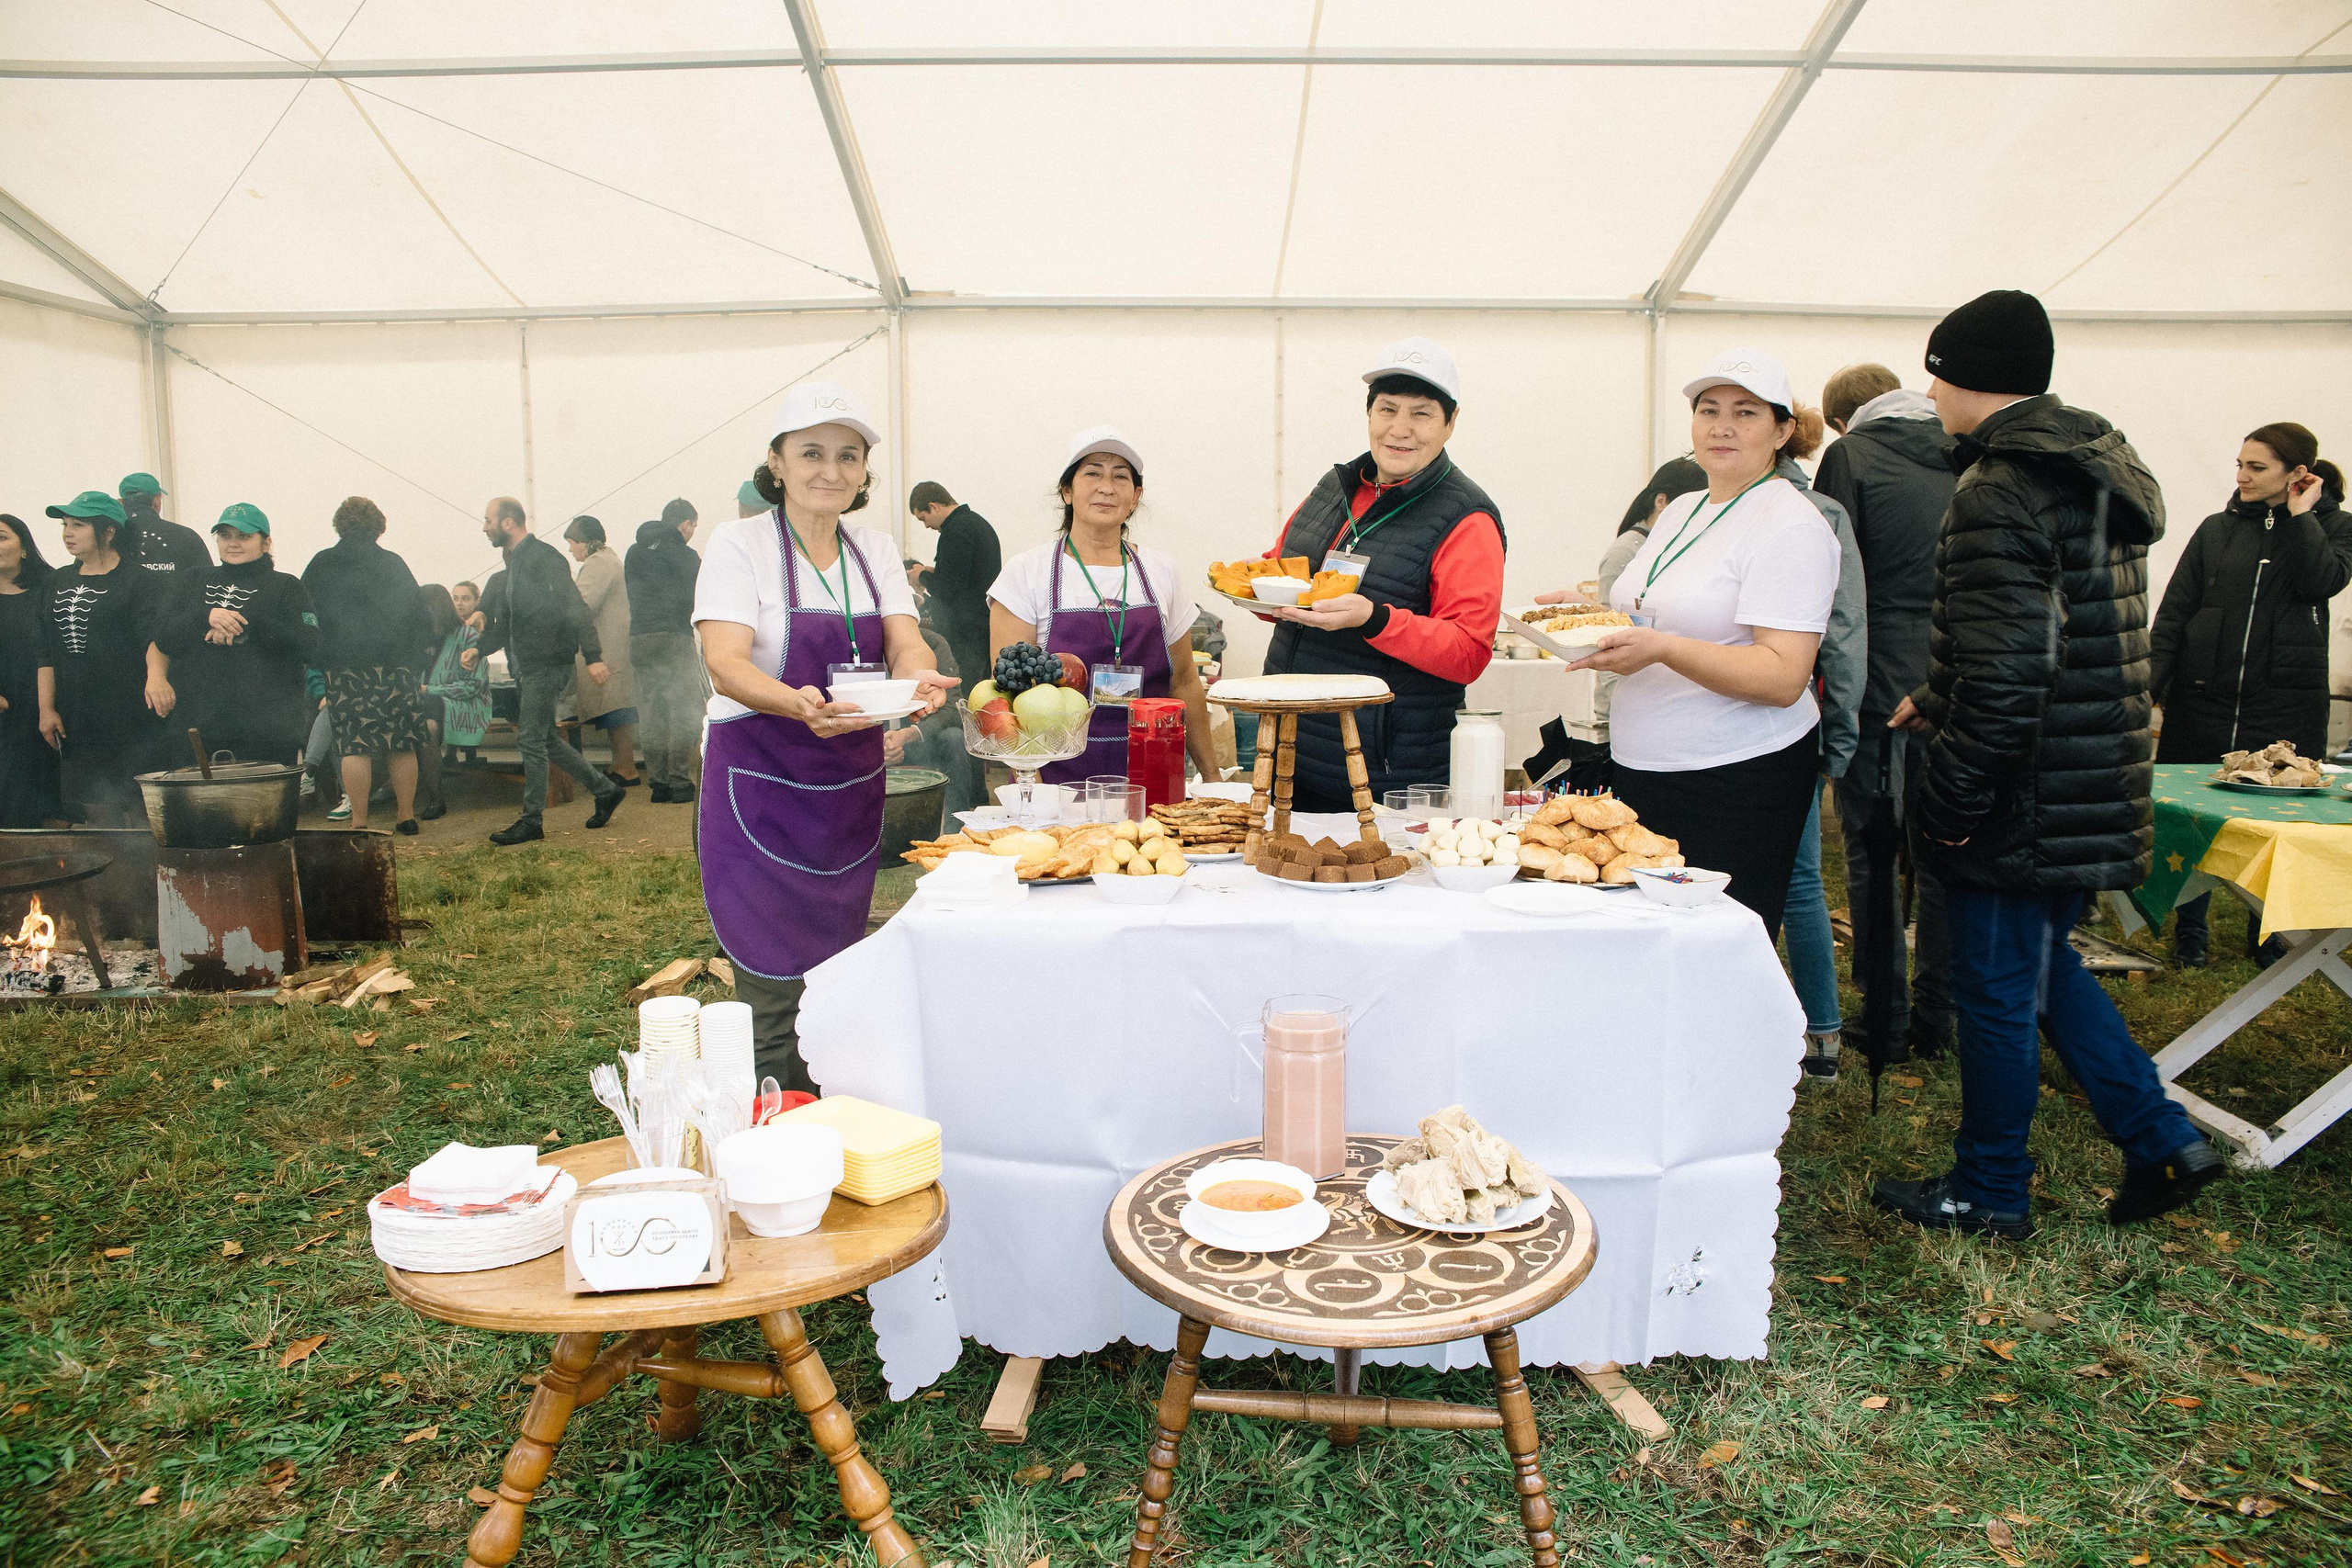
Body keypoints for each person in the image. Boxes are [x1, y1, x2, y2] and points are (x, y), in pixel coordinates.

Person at [1870, 288, 2221, 1239]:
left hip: (2023, 789)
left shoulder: (1998, 487)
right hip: (2088, 770)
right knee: (2040, 970)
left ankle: (1989, 1188)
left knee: (1991, 990)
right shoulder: (2088, 469)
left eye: (1934, 375)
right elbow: (2059, 637)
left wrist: (1949, 801)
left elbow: (2011, 669)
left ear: (1951, 376)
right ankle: (2160, 1136)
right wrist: (1937, 694)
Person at [694, 381, 954, 1091]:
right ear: (776, 461)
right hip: (761, 787)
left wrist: (920, 679)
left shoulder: (872, 548)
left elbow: (907, 643)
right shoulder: (738, 543)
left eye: (848, 455)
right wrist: (795, 702)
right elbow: (724, 661)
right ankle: (762, 1144)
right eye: (811, 452)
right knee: (771, 990)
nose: (830, 470)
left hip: (846, 794)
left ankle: (828, 1123)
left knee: (836, 980)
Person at [1566, 351, 1838, 941]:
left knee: (1713, 949)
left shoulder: (1791, 525)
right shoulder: (1684, 508)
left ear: (1783, 430)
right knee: (1642, 941)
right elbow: (1658, 611)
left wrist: (1663, 649)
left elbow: (1781, 677)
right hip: (1646, 764)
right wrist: (1586, 619)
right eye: (1708, 410)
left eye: (1745, 412)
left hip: (1733, 777)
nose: (1722, 426)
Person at [1260, 337, 1506, 811]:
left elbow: (1469, 651)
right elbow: (1281, 567)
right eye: (1387, 409)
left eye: (1421, 413)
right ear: (1368, 414)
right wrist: (1256, 589)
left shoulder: (1467, 519)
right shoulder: (1334, 486)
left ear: (1451, 423)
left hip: (1386, 773)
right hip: (1292, 751)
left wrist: (1374, 620)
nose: (1400, 429)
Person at [2150, 423, 2350, 968]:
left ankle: (2267, 934)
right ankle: (2190, 931)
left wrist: (2301, 516)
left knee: (2278, 824)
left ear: (2298, 473)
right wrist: (2150, 686)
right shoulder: (2216, 529)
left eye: (2257, 467)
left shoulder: (2334, 527)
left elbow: (2321, 580)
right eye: (2240, 464)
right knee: (2194, 817)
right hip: (2204, 698)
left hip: (2284, 705)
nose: (2241, 476)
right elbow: (2174, 612)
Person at [1814, 364, 1960, 1058]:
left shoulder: (1850, 458)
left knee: (1872, 854)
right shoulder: (1968, 454)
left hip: (1876, 678)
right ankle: (1938, 1015)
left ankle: (1886, 1017)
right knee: (1942, 855)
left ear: (1840, 421)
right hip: (1954, 678)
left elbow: (1831, 581)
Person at [988, 428, 1221, 784]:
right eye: (1092, 472)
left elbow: (1185, 682)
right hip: (1059, 775)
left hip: (1156, 772)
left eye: (1121, 477)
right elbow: (1010, 695)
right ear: (1067, 490)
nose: (1106, 487)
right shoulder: (1027, 572)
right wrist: (1032, 790)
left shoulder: (1162, 571)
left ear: (1135, 496)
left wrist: (1213, 778)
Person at [1770, 409, 1871, 1080]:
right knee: (1800, 878)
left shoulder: (1813, 514)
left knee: (1801, 878)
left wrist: (1838, 732)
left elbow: (1841, 631)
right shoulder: (1703, 509)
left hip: (1786, 719)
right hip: (1761, 723)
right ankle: (1820, 1034)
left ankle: (1820, 1030)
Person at [466, 498, 624, 843]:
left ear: (508, 523)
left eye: (488, 520)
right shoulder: (513, 565)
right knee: (546, 738)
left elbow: (575, 607)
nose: (484, 527)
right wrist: (479, 650)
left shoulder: (544, 558)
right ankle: (605, 790)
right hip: (526, 666)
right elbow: (506, 623)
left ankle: (532, 820)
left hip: (548, 663)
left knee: (529, 739)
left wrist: (594, 655)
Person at [35, 491, 174, 825]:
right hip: (79, 718)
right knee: (98, 816)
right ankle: (111, 877)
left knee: (144, 815)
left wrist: (157, 676)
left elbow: (156, 636)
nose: (68, 532)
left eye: (79, 525)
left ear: (109, 532)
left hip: (132, 717)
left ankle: (148, 877)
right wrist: (46, 708)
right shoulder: (56, 581)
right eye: (65, 524)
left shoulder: (141, 581)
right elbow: (45, 649)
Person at [302, 497, 433, 833]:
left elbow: (308, 616)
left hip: (344, 669)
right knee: (400, 744)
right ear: (378, 525)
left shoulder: (322, 563)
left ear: (339, 525)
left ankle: (359, 822)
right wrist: (414, 662)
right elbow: (420, 616)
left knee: (353, 746)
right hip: (394, 668)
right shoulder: (393, 563)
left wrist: (320, 659)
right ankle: (406, 817)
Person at [153, 504, 319, 767]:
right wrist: (204, 617)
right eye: (225, 536)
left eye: (244, 536)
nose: (233, 544)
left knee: (263, 808)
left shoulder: (287, 586)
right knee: (197, 807)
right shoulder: (192, 579)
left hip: (267, 729)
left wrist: (246, 627)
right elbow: (163, 635)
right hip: (198, 726)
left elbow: (309, 643)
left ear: (266, 543)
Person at [628, 498, 707, 804]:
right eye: (694, 527)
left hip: (640, 638)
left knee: (651, 713)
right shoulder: (687, 556)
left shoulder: (634, 552)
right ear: (685, 524)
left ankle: (658, 783)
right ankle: (679, 781)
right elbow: (699, 596)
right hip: (674, 636)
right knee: (684, 711)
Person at [562, 515, 639, 788]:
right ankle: (620, 765)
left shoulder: (598, 563)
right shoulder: (609, 560)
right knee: (614, 709)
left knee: (617, 710)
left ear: (585, 542)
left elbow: (581, 604)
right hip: (613, 645)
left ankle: (627, 768)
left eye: (572, 543)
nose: (571, 550)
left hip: (608, 648)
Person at [910, 480, 1001, 701]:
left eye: (923, 518)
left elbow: (947, 588)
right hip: (983, 625)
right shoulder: (977, 524)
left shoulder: (955, 533)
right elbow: (966, 576)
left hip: (965, 633)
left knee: (963, 694)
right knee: (980, 694)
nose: (926, 526)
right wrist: (934, 571)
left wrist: (920, 576)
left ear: (933, 506)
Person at [0, 513, 61, 827]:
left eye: (1, 537)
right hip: (5, 714)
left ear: (25, 548)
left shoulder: (54, 587)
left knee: (56, 805)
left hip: (51, 708)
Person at [417, 583, 487, 819]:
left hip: (465, 704)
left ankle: (435, 798)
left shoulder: (468, 635)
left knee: (422, 713)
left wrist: (429, 689)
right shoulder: (423, 639)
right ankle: (432, 796)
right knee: (427, 726)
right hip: (431, 706)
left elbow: (473, 685)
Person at [117, 472, 210, 577]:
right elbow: (207, 582)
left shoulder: (109, 536)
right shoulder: (187, 536)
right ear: (157, 500)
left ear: (121, 501)